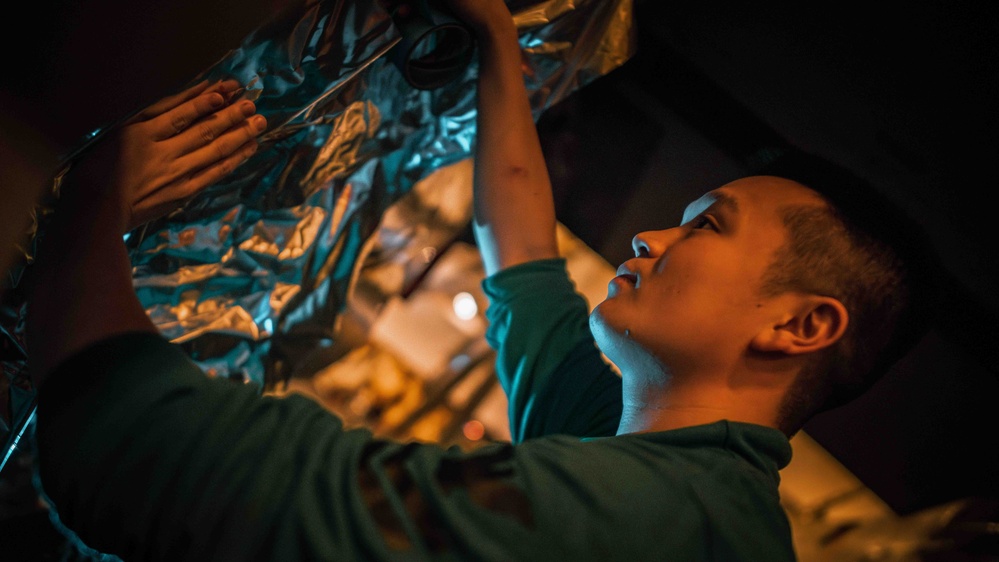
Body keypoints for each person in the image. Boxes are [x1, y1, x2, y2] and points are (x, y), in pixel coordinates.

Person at [27, 1, 938, 560]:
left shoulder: (650, 525)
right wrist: (497, 38)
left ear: (802, 326)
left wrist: (93, 196)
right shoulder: (640, 447)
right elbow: (522, 253)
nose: (653, 235)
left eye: (705, 226)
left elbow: (148, 454)